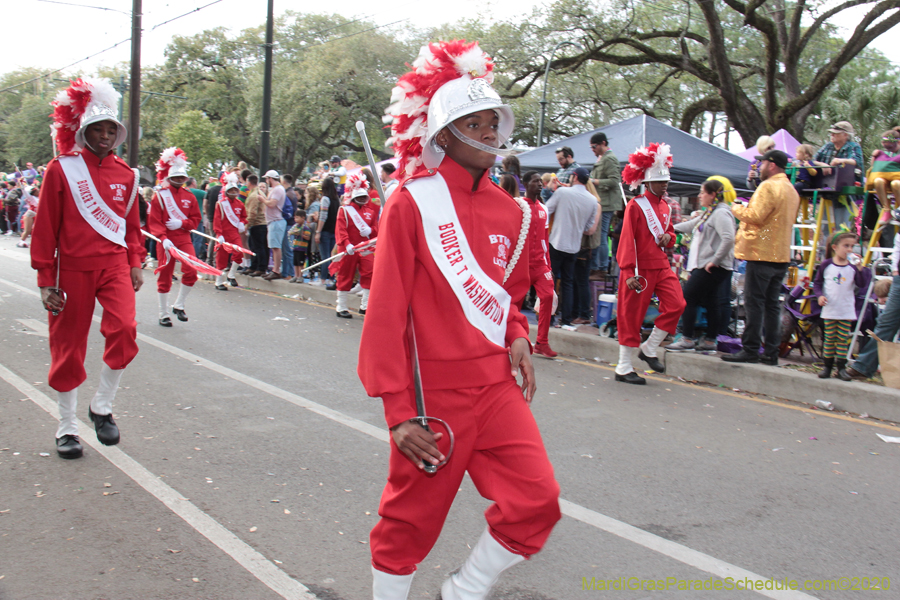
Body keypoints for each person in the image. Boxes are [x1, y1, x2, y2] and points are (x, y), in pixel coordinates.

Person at [358, 39, 560, 600]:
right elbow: (386, 312)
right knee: (410, 521)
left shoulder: (515, 211)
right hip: (432, 391)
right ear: (443, 133)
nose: (491, 132)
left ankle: (465, 589)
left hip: (496, 384)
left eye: (494, 121)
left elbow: (510, 294)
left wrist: (517, 333)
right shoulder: (411, 201)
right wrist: (399, 411)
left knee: (537, 500)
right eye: (476, 122)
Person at [32, 77, 143, 459]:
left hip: (113, 265)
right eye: (99, 128)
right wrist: (46, 279)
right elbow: (45, 228)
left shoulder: (127, 175)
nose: (106, 135)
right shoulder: (61, 170)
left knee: (126, 329)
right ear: (84, 131)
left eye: (112, 129)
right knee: (68, 348)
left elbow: (131, 227)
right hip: (72, 270)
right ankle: (66, 427)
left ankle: (102, 406)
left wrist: (135, 262)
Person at [616, 143, 686, 384]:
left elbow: (670, 234)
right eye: (659, 181)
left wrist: (670, 238)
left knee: (677, 304)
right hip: (639, 268)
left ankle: (650, 347)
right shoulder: (635, 206)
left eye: (666, 180)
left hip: (661, 265)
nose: (664, 184)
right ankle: (623, 367)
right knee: (631, 315)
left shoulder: (666, 206)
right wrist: (627, 271)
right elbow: (626, 240)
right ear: (647, 183)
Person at [722, 149, 800, 365]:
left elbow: (755, 216)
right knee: (772, 305)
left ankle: (751, 349)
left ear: (772, 164)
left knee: (754, 303)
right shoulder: (791, 189)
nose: (759, 166)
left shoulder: (768, 186)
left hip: (761, 254)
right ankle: (771, 352)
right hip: (781, 255)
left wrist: (735, 207)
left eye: (762, 162)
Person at [665, 178, 735, 352]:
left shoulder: (721, 213)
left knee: (687, 297)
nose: (700, 196)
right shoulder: (709, 212)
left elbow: (728, 238)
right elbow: (692, 225)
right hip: (705, 264)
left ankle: (688, 338)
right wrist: (669, 227)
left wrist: (715, 260)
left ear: (713, 195)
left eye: (703, 192)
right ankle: (710, 340)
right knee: (711, 301)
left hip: (712, 266)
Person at [148, 148, 201, 326]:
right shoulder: (160, 196)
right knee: (165, 275)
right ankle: (163, 313)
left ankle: (179, 305)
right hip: (165, 240)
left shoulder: (190, 197)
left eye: (181, 177)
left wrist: (182, 224)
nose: (179, 180)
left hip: (183, 238)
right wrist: (163, 238)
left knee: (192, 271)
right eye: (175, 178)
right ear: (169, 178)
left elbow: (195, 220)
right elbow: (154, 221)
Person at [545, 167, 600, 327]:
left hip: (557, 241)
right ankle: (567, 319)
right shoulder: (592, 200)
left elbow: (546, 210)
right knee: (568, 282)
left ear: (575, 177)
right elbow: (589, 228)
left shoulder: (563, 193)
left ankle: (548, 318)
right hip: (574, 246)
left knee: (550, 281)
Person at [812, 232, 865, 380]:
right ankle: (827, 366)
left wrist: (860, 269)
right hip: (830, 308)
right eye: (846, 246)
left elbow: (861, 284)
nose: (849, 249)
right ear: (835, 247)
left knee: (842, 338)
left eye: (852, 246)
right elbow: (817, 283)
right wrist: (819, 296)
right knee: (829, 338)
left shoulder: (852, 267)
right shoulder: (826, 265)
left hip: (845, 309)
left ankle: (841, 367)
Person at [521, 170, 558, 358]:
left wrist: (548, 267)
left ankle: (542, 342)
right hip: (521, 265)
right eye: (535, 181)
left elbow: (545, 239)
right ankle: (511, 338)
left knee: (548, 296)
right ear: (526, 184)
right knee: (514, 302)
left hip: (540, 264)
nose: (539, 184)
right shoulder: (517, 206)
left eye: (540, 181)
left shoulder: (544, 209)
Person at [334, 173, 379, 318]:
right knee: (345, 274)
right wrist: (346, 244)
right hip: (349, 249)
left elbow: (376, 229)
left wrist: (371, 230)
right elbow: (341, 229)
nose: (361, 199)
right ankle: (341, 306)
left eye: (363, 197)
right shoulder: (344, 211)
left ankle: (365, 306)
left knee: (370, 273)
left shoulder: (371, 212)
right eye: (358, 197)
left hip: (365, 248)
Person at [815, 121, 864, 230]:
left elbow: (857, 161)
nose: (832, 135)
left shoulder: (853, 146)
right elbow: (812, 160)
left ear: (845, 135)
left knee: (842, 226)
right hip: (826, 192)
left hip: (846, 194)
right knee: (825, 227)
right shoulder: (828, 146)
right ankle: (826, 246)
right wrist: (822, 164)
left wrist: (840, 160)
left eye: (835, 133)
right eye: (831, 133)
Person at [589, 132, 623, 278]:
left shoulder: (610, 159)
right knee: (598, 235)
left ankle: (601, 268)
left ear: (603, 143)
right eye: (591, 147)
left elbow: (614, 181)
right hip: (600, 202)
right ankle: (597, 266)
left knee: (601, 235)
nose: (593, 149)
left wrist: (594, 182)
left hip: (606, 204)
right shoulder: (602, 158)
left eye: (594, 146)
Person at [213, 174, 247, 290]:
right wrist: (219, 234)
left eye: (235, 190)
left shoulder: (240, 204)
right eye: (230, 190)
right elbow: (217, 220)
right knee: (221, 258)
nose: (233, 192)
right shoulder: (221, 204)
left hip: (234, 234)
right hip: (223, 234)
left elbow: (243, 216)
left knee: (239, 254)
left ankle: (231, 275)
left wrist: (242, 222)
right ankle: (218, 281)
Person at [261, 170, 285, 280]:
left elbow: (272, 204)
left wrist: (262, 199)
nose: (266, 181)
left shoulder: (278, 190)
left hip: (276, 220)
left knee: (276, 247)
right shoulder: (276, 189)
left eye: (267, 179)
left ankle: (276, 270)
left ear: (270, 179)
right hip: (273, 221)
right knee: (274, 247)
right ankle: (275, 269)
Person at [315, 177, 340, 287]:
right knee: (331, 256)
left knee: (324, 256)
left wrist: (318, 231)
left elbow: (323, 216)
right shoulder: (337, 199)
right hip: (334, 230)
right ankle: (331, 277)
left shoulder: (325, 199)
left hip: (325, 231)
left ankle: (323, 279)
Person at [244, 174, 268, 276]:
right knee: (255, 246)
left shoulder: (254, 195)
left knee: (258, 247)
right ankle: (254, 266)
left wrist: (247, 225)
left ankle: (260, 267)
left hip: (257, 224)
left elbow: (252, 213)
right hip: (260, 223)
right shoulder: (260, 193)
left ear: (249, 182)